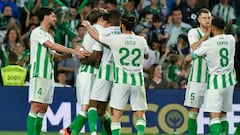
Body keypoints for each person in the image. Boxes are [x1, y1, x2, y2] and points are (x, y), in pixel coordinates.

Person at [82, 14, 149, 135]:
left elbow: (96, 36)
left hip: (121, 82)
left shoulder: (116, 39)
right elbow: (147, 55)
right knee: (140, 114)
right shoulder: (141, 40)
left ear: (122, 26)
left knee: (116, 115)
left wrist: (87, 25)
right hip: (138, 82)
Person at [26, 7, 88, 135]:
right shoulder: (37, 32)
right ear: (46, 17)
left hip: (48, 75)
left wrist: (68, 55)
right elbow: (53, 46)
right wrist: (74, 50)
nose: (55, 19)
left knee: (44, 108)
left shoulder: (49, 35)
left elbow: (54, 55)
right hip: (39, 73)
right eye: (53, 16)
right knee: (36, 106)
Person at [61, 8, 109, 135]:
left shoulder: (92, 32)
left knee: (98, 109)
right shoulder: (97, 30)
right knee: (87, 108)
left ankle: (68, 131)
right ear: (100, 19)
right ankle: (69, 132)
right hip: (89, 73)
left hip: (92, 73)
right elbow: (96, 56)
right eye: (105, 19)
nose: (107, 22)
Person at [191, 17, 237, 135]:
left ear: (211, 28)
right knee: (223, 115)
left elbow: (193, 53)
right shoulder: (231, 39)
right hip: (229, 83)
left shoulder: (208, 43)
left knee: (214, 117)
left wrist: (205, 37)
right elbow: (233, 38)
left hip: (215, 83)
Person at [86, 10, 121, 135]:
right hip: (119, 76)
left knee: (93, 105)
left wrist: (84, 59)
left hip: (105, 72)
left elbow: (96, 55)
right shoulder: (125, 34)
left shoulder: (103, 33)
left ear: (109, 20)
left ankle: (93, 132)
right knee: (105, 110)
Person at [183, 8, 212, 135]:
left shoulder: (216, 33)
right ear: (199, 20)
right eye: (204, 18)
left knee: (215, 111)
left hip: (212, 79)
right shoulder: (193, 32)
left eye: (209, 18)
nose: (207, 21)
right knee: (194, 110)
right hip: (197, 78)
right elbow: (194, 47)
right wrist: (206, 36)